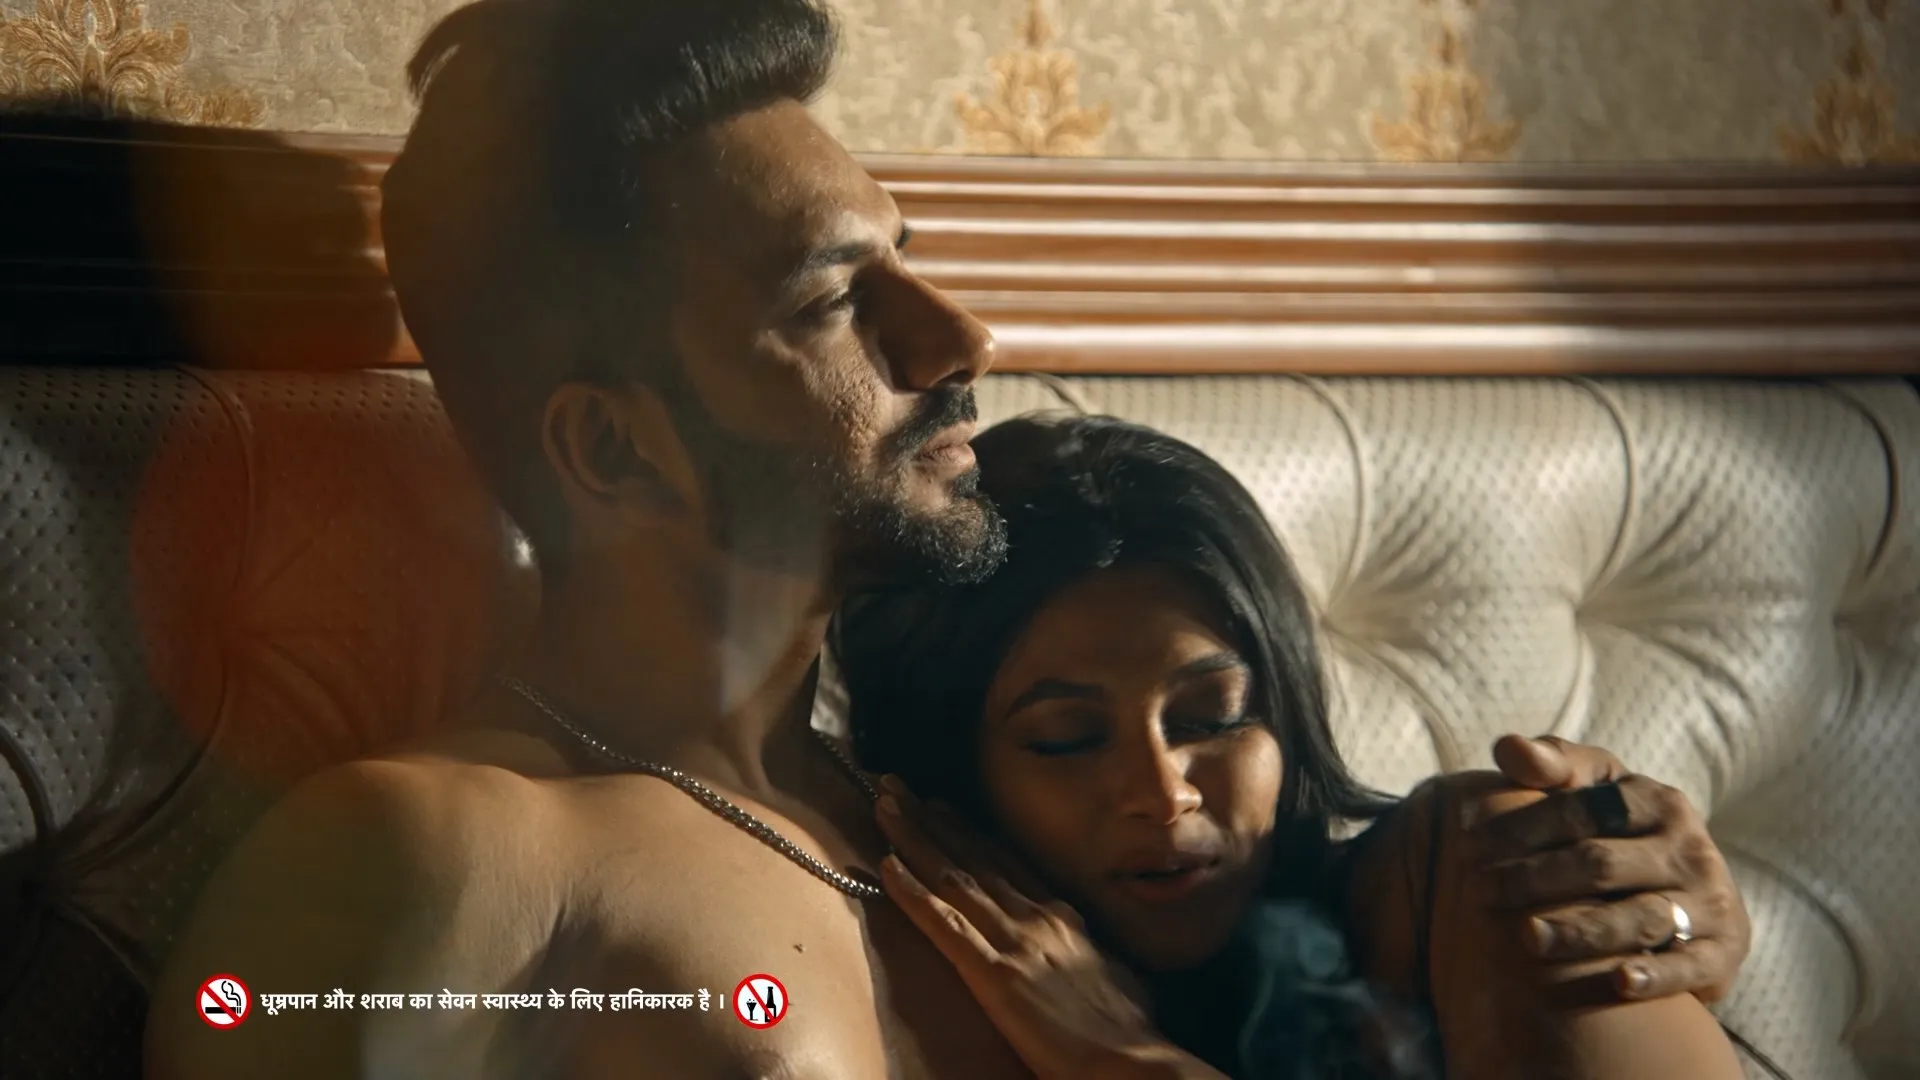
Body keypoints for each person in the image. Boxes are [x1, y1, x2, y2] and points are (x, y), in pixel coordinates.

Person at [144, 3, 1750, 1078]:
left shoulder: (985, 815)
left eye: (909, 260)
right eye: (834, 300)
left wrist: (1669, 932)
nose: (962, 334)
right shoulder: (439, 855)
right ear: (616, 447)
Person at [835, 413, 1750, 1080]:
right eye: (1067, 739)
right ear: (952, 763)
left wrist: (1125, 1063)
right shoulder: (896, 979)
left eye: (1213, 717)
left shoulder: (1478, 872)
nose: (1163, 792)